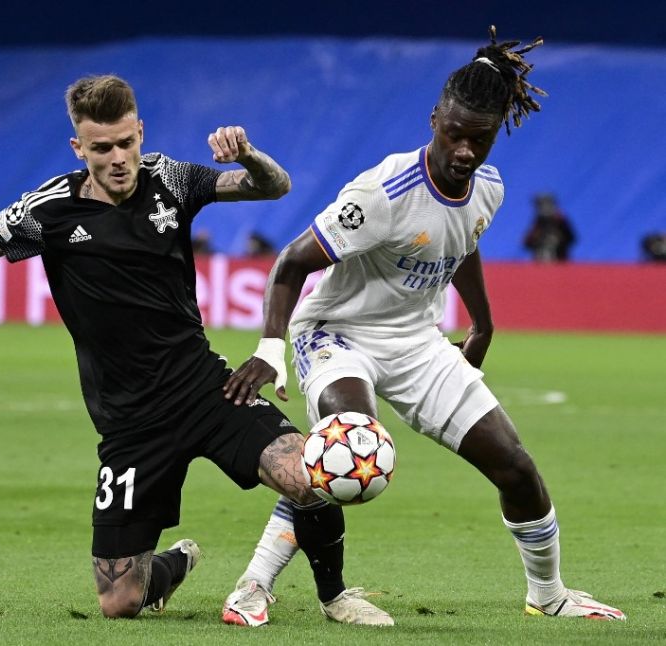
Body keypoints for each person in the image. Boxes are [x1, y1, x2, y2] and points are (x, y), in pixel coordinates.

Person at [0, 74, 391, 624]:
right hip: (128, 425)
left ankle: (336, 597)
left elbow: (273, 187)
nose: (118, 157)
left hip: (206, 389)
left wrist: (247, 155)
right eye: (102, 148)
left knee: (312, 475)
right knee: (119, 601)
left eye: (126, 142)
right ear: (79, 147)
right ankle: (176, 563)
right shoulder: (46, 211)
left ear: (140, 133)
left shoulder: (169, 179)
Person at [220, 27, 625, 626]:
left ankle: (549, 594)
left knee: (515, 466)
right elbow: (291, 263)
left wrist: (483, 323)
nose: (464, 150)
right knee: (347, 448)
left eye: (479, 139)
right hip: (337, 332)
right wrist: (269, 348)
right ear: (433, 118)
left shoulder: (488, 188)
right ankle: (253, 586)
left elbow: (460, 244)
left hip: (416, 342)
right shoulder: (382, 193)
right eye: (454, 133)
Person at [523, 192, 575, 261]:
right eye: (541, 205)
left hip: (560, 259)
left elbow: (571, 238)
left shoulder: (560, 220)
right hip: (540, 261)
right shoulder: (538, 223)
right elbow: (527, 242)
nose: (544, 207)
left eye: (547, 204)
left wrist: (558, 238)